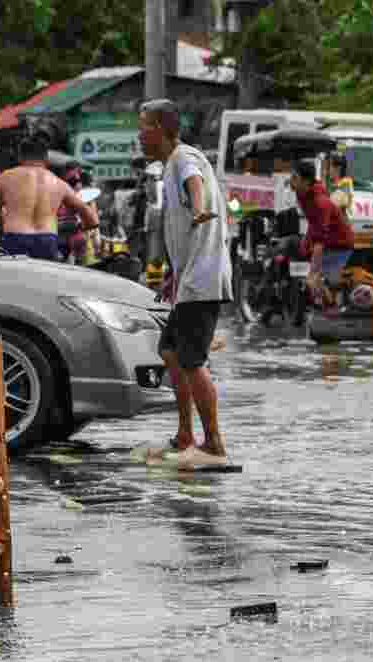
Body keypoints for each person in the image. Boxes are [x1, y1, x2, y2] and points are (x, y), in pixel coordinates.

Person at [137, 98, 233, 468]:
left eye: (143, 127)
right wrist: (175, 275)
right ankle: (185, 435)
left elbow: (194, 183)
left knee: (191, 359)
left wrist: (198, 207)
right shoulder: (170, 165)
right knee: (171, 352)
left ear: (161, 128)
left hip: (203, 280)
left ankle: (213, 445)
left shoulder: (183, 158)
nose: (139, 136)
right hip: (191, 277)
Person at [0, 135, 98, 261]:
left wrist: (6, 222)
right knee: (43, 278)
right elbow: (92, 219)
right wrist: (81, 228)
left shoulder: (6, 177)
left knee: (18, 279)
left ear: (20, 156)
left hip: (15, 237)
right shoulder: (58, 182)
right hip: (47, 239)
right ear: (46, 159)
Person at [290, 159, 354, 311]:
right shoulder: (302, 193)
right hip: (326, 242)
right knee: (312, 277)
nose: (290, 182)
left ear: (305, 181)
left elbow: (320, 240)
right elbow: (313, 224)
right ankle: (325, 305)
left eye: (294, 178)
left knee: (316, 280)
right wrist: (305, 245)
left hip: (339, 245)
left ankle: (332, 308)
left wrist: (313, 273)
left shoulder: (320, 202)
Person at [326, 151, 354, 219]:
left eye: (329, 167)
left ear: (338, 168)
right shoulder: (332, 184)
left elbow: (330, 206)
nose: (327, 171)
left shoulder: (345, 185)